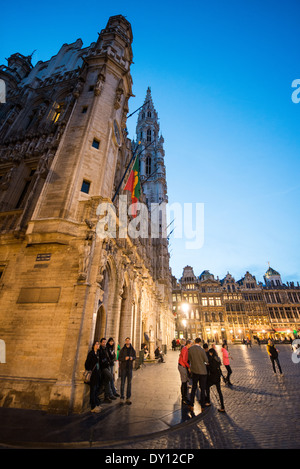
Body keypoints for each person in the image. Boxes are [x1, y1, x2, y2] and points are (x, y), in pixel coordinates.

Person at [188, 337, 208, 411]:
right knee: (202, 389)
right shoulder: (202, 350)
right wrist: (204, 363)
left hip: (194, 371)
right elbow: (206, 360)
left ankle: (191, 405)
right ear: (199, 343)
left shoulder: (190, 349)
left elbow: (189, 359)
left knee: (194, 388)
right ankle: (202, 406)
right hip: (202, 372)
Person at [206, 348, 225, 412]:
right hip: (218, 377)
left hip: (212, 377)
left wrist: (207, 365)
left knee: (207, 387)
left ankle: (208, 401)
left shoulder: (211, 359)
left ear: (211, 353)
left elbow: (211, 369)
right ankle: (222, 407)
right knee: (219, 392)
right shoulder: (217, 358)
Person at [84, 340, 102, 413]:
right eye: (96, 344)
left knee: (96, 390)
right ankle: (93, 407)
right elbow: (86, 364)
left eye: (98, 344)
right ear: (93, 345)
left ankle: (96, 404)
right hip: (92, 374)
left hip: (97, 374)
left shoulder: (97, 353)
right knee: (93, 390)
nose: (98, 345)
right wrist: (90, 369)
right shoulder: (91, 353)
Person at [118, 337, 136, 405]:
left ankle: (128, 398)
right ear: (125, 341)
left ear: (130, 341)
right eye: (127, 340)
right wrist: (124, 358)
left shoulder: (132, 349)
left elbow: (134, 357)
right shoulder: (122, 350)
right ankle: (122, 398)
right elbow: (119, 358)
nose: (128, 341)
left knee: (129, 383)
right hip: (124, 368)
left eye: (129, 340)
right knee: (122, 383)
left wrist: (132, 358)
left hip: (130, 368)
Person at [98, 338, 115, 403]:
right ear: (100, 343)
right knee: (110, 377)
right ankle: (101, 393)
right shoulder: (100, 350)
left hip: (107, 366)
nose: (104, 343)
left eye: (105, 342)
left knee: (106, 381)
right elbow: (101, 359)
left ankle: (107, 396)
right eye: (103, 342)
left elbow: (109, 357)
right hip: (103, 367)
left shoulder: (105, 349)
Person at [178, 339, 193, 404]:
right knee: (184, 382)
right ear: (188, 344)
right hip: (182, 366)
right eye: (191, 344)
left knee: (184, 381)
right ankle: (184, 398)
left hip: (183, 365)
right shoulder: (185, 349)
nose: (191, 345)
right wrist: (188, 367)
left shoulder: (185, 349)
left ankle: (184, 396)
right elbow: (184, 360)